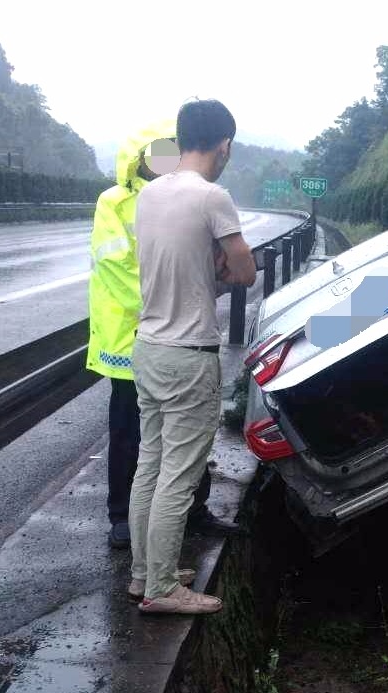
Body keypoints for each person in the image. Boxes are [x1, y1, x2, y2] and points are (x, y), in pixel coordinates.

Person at [128, 99, 256, 615]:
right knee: (179, 477)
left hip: (148, 347)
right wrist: (225, 266)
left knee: (149, 466)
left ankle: (145, 573)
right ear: (223, 144)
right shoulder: (213, 196)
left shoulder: (149, 194)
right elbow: (245, 271)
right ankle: (162, 589)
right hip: (188, 353)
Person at [86, 119, 235, 550]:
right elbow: (116, 267)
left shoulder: (182, 195)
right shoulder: (114, 203)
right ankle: (121, 518)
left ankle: (193, 509)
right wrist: (173, 297)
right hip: (128, 339)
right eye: (158, 155)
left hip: (173, 332)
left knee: (188, 432)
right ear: (138, 160)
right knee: (132, 432)